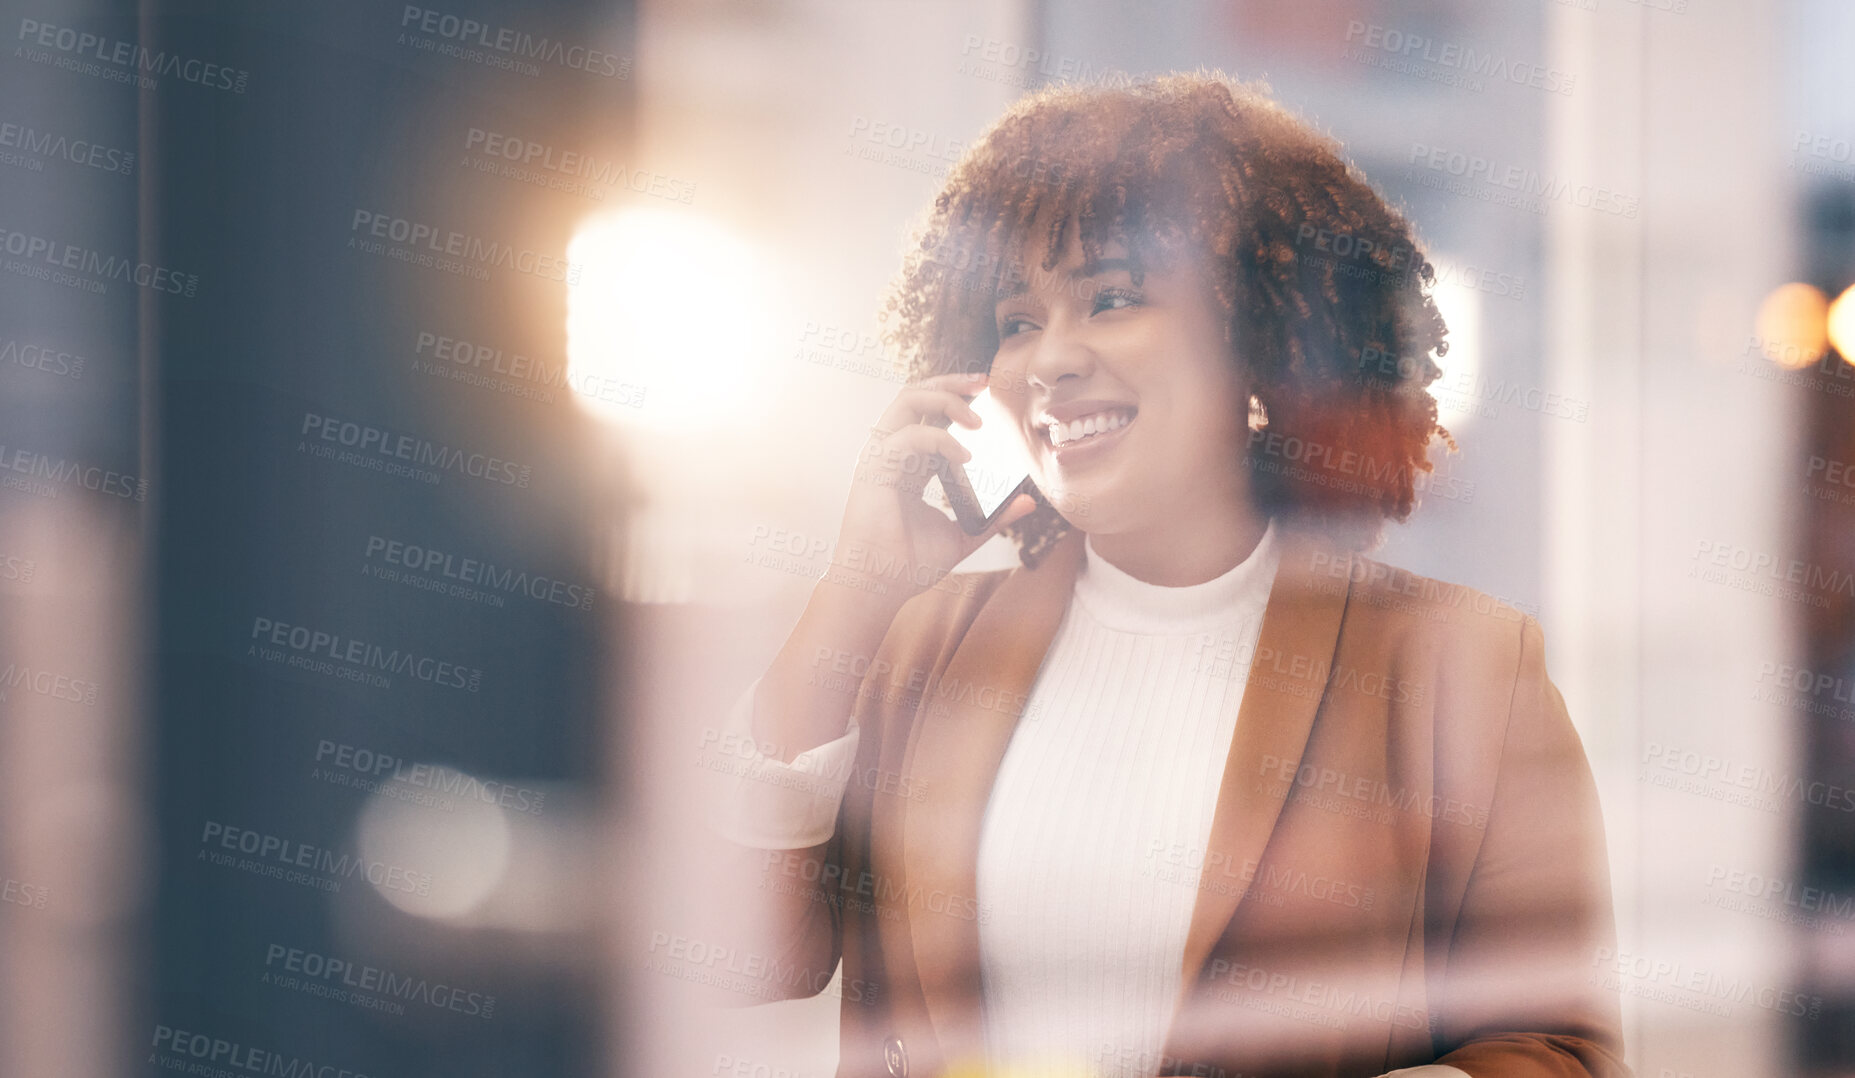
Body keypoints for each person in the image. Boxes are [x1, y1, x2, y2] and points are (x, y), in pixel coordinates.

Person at [697, 71, 1628, 1078]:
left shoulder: (1460, 664)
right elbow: (739, 961)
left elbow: (1555, 1054)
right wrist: (854, 599)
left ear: (1263, 340)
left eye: (1110, 298)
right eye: (1015, 320)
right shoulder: (929, 637)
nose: (1049, 359)